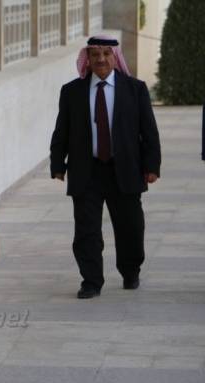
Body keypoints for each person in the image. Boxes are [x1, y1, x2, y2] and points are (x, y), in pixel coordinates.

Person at [49, 35, 161, 299]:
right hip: (86, 170)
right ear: (87, 59)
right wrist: (57, 163)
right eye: (95, 54)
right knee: (86, 231)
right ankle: (91, 281)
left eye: (106, 54)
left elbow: (149, 131)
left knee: (131, 227)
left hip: (125, 169)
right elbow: (61, 130)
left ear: (115, 57)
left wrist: (152, 165)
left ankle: (130, 271)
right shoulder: (72, 91)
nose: (101, 59)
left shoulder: (135, 89)